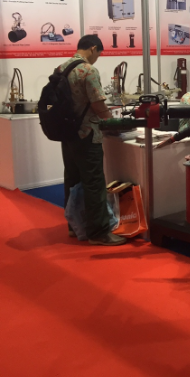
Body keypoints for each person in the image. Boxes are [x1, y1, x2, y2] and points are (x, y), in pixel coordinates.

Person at [61, 35, 125, 246]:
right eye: (98, 53)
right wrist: (113, 123)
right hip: (87, 134)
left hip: (68, 134)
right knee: (94, 182)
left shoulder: (62, 68)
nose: (98, 57)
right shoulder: (88, 70)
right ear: (93, 48)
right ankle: (98, 232)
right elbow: (98, 104)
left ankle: (74, 226)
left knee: (72, 179)